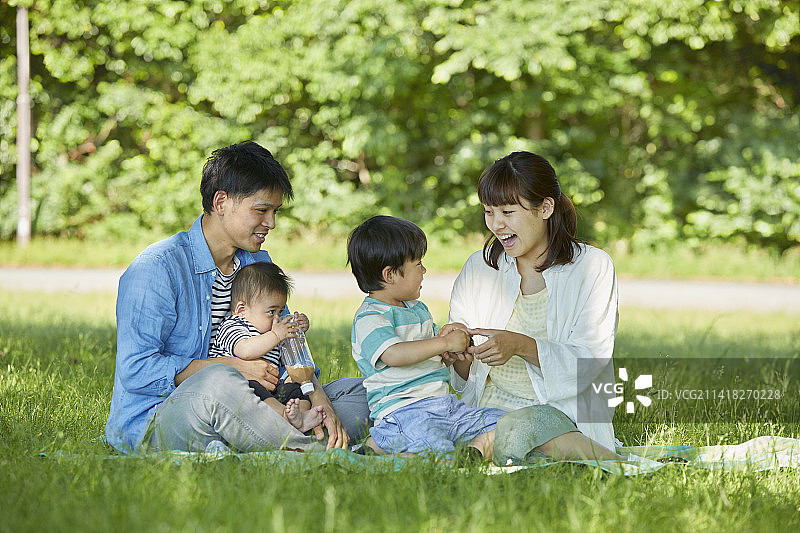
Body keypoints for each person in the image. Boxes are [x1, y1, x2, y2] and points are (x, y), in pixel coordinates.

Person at [105, 141, 370, 454]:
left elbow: (288, 345)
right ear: (221, 202)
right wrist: (233, 368)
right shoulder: (157, 268)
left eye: (274, 212)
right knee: (219, 384)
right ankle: (319, 453)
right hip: (166, 416)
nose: (270, 223)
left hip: (265, 401)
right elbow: (137, 370)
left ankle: (274, 437)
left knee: (364, 390)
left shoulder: (259, 265)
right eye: (261, 211)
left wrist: (315, 397)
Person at [446, 151, 623, 464]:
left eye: (508, 212)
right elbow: (463, 375)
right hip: (487, 410)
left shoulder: (592, 267)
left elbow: (590, 359)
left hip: (560, 414)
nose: (497, 225)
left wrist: (520, 345)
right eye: (489, 212)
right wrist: (454, 351)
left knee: (527, 429)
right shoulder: (479, 268)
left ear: (545, 208)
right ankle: (491, 445)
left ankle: (490, 449)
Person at [347, 215, 506, 460]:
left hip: (444, 406)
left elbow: (432, 357)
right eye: (418, 264)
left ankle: (472, 454)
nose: (424, 270)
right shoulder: (370, 318)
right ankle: (383, 450)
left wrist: (450, 353)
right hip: (404, 413)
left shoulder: (417, 309)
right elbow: (394, 354)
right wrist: (442, 343)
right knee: (435, 453)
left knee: (503, 422)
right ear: (390, 275)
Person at [208, 261, 326, 433]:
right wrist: (276, 335)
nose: (277, 317)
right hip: (237, 390)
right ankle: (285, 418)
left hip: (271, 388)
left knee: (295, 386)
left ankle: (301, 416)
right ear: (242, 309)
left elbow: (291, 358)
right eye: (271, 312)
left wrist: (298, 333)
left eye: (281, 311)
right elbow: (245, 351)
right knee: (253, 387)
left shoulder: (271, 331)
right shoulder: (234, 325)